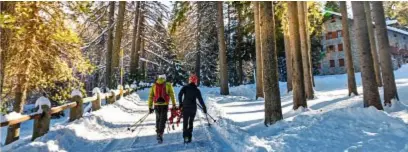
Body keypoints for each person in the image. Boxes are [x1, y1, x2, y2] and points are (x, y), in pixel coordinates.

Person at [178, 74, 207, 143]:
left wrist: (180, 103)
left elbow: (179, 95)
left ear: (190, 80)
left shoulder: (185, 87)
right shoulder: (197, 90)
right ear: (196, 81)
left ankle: (185, 137)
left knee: (185, 122)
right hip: (193, 108)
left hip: (185, 107)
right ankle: (189, 137)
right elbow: (200, 100)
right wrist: (204, 107)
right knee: (190, 122)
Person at [148, 74, 176, 143]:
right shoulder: (168, 85)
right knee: (163, 119)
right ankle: (160, 133)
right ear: (164, 78)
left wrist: (150, 106)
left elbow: (151, 96)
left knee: (158, 118)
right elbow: (172, 95)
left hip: (156, 104)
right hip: (164, 104)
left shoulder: (154, 85)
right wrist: (174, 104)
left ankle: (158, 132)